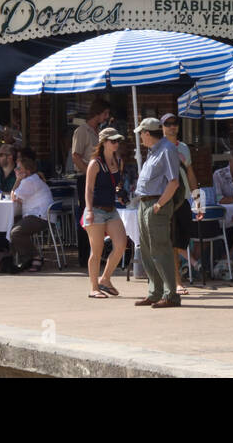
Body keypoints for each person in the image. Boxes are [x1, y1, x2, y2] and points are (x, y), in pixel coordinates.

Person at [132, 118, 181, 308]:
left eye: (141, 134)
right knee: (146, 251)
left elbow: (174, 181)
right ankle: (155, 292)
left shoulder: (167, 150)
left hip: (156, 203)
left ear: (147, 133)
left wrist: (159, 205)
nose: (140, 138)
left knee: (160, 250)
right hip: (144, 203)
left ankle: (171, 295)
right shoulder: (153, 151)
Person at [83, 128, 128, 298]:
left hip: (111, 209)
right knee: (96, 250)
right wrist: (88, 210)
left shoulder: (118, 160)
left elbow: (115, 184)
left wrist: (120, 192)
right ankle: (94, 287)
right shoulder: (95, 163)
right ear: (104, 143)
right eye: (113, 141)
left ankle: (105, 278)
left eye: (118, 141)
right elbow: (88, 189)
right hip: (96, 210)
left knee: (121, 244)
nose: (116, 143)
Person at [70, 98, 111, 270]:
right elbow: (75, 155)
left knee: (98, 213)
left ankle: (96, 252)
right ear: (98, 113)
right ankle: (83, 255)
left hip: (99, 178)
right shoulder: (82, 131)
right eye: (106, 113)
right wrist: (89, 173)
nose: (107, 117)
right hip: (85, 177)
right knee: (86, 213)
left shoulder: (98, 132)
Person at [162, 113, 199, 289]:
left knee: (182, 240)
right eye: (167, 124)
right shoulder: (158, 147)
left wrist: (197, 199)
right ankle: (176, 282)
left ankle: (175, 278)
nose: (172, 126)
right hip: (168, 199)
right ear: (161, 127)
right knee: (172, 242)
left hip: (183, 200)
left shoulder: (184, 148)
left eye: (175, 123)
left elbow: (190, 173)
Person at [9, 155, 54, 272]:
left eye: (19, 169)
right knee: (10, 225)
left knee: (15, 232)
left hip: (40, 216)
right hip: (40, 215)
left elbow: (13, 196)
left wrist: (17, 180)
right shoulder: (33, 179)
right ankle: (17, 258)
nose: (15, 170)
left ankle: (34, 257)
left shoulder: (29, 181)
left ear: (27, 172)